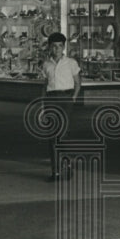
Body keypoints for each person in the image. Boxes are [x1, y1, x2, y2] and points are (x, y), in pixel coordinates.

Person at [41, 32, 81, 181]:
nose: (57, 49)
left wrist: (73, 98)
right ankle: (55, 172)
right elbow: (44, 86)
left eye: (59, 46)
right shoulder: (46, 64)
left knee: (62, 135)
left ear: (63, 47)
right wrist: (43, 105)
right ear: (50, 47)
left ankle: (68, 164)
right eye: (54, 46)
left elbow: (78, 82)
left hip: (66, 99)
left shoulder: (71, 63)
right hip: (51, 99)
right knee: (52, 136)